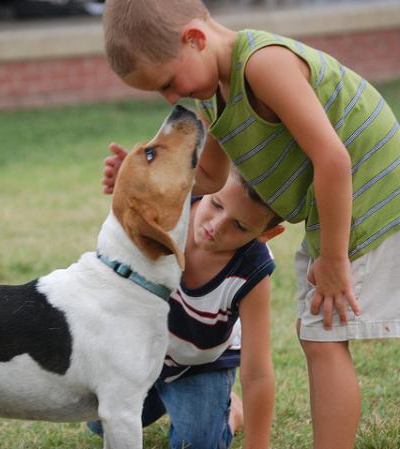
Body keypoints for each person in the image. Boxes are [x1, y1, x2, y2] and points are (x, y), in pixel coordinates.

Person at [101, 1, 400, 448]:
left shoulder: (263, 63)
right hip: (336, 202)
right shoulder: (214, 93)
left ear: (195, 40)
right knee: (317, 335)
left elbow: (334, 158)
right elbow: (210, 177)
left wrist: (335, 259)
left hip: (371, 193)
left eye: (167, 82)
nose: (169, 98)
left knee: (324, 338)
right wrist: (142, 178)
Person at [91, 163, 284, 449]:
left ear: (266, 234)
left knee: (196, 443)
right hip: (141, 349)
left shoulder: (252, 272)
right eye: (216, 204)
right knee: (99, 422)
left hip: (199, 364)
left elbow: (257, 371)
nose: (215, 226)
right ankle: (173, 399)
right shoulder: (170, 214)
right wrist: (128, 179)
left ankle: (229, 412)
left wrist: (258, 444)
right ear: (207, 187)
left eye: (240, 226)